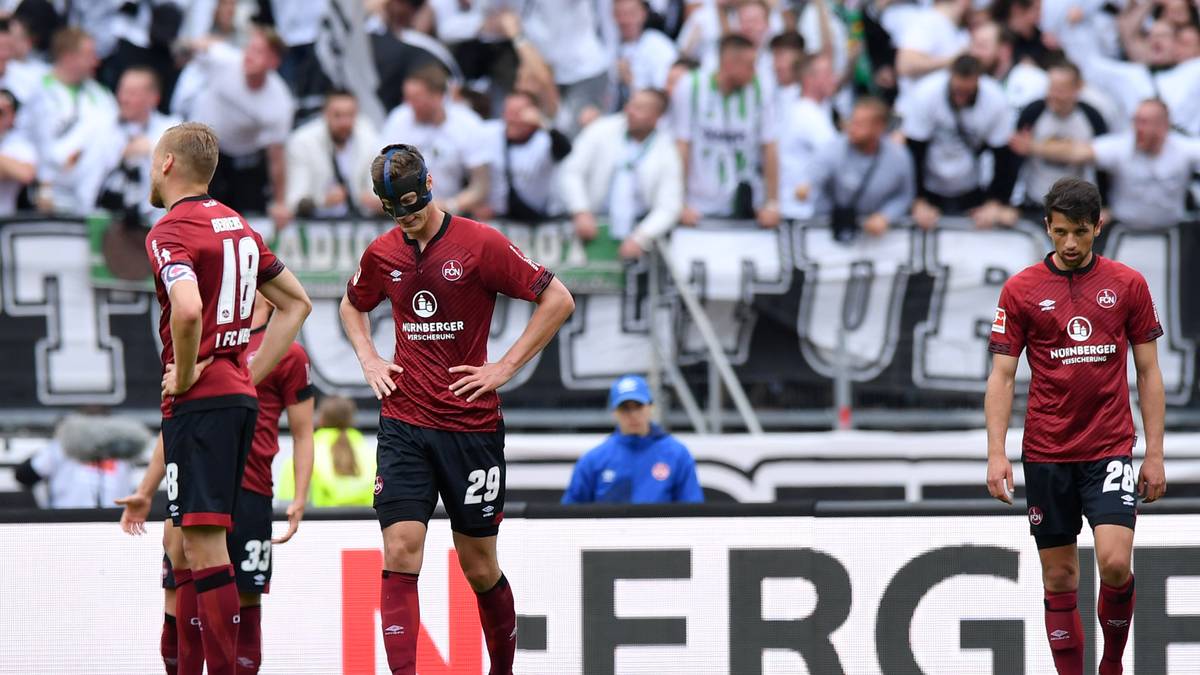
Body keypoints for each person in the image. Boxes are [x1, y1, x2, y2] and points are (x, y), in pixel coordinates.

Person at [339, 143, 575, 675]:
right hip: (403, 422)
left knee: (479, 564)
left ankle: (503, 670)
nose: (408, 219)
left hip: (471, 426)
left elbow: (557, 298)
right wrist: (369, 357)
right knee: (401, 549)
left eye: (413, 205)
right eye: (396, 211)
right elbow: (351, 303)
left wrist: (504, 368)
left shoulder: (480, 244)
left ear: (428, 187)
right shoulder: (383, 253)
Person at [127, 121, 311, 675]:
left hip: (201, 404)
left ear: (165, 165)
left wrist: (184, 374)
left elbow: (185, 309)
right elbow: (296, 304)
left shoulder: (169, 231)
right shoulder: (238, 225)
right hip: (234, 398)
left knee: (204, 549)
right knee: (184, 545)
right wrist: (248, 369)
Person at [985, 177, 1166, 675]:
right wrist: (996, 452)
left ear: (1098, 227)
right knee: (1061, 577)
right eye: (1060, 231)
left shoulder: (1128, 284)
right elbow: (1002, 376)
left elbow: (1148, 372)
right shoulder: (1020, 290)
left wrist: (1153, 453)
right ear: (1047, 227)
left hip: (1109, 447)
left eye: (1080, 232)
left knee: (1113, 562)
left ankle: (1111, 665)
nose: (1069, 243)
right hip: (1046, 451)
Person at [121, 290, 315, 675]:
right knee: (179, 588)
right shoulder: (200, 345)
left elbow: (304, 432)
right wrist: (146, 490)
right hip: (195, 478)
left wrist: (300, 495)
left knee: (245, 600)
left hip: (251, 486)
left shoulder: (287, 353)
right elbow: (173, 422)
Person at [1019, 98, 1200, 229]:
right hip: (1123, 229)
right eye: (1135, 121)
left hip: (1173, 231)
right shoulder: (1121, 146)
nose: (1138, 128)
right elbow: (1077, 152)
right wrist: (1032, 146)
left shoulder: (1183, 149)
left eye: (1144, 122)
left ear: (1163, 126)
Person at [560, 88, 683, 260]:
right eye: (631, 105)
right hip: (592, 226)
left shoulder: (666, 152)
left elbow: (669, 206)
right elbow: (571, 171)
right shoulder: (600, 130)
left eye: (640, 109)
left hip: (637, 232)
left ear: (656, 117)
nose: (631, 112)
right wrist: (580, 210)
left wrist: (641, 237)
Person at [671, 34, 779, 228]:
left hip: (746, 206)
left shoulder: (761, 89)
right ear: (729, 64)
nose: (754, 72)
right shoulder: (690, 86)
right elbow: (681, 146)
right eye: (749, 65)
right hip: (699, 208)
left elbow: (769, 146)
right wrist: (678, 202)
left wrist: (771, 203)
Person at [903, 55, 1020, 229]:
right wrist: (917, 201)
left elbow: (1004, 156)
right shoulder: (926, 93)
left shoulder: (995, 100)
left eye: (967, 93)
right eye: (957, 91)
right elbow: (913, 151)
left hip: (971, 184)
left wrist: (995, 203)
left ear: (978, 81)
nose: (961, 98)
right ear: (950, 76)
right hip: (930, 182)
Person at [562, 374, 704, 504]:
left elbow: (693, 510)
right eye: (625, 408)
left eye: (638, 406)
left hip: (659, 532)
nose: (633, 414)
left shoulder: (677, 455)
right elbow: (569, 514)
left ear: (651, 407)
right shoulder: (594, 460)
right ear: (614, 412)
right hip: (610, 532)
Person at [805, 97, 916, 239]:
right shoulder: (834, 148)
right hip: (832, 231)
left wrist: (886, 216)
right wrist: (806, 186)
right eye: (852, 121)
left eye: (860, 124)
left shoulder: (899, 157)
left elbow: (905, 195)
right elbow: (815, 175)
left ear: (879, 127)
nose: (852, 128)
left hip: (880, 240)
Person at [285, 89, 382, 217]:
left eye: (350, 115)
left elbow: (377, 194)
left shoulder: (369, 139)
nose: (344, 122)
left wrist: (377, 203)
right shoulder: (302, 142)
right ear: (324, 114)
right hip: (315, 224)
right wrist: (322, 201)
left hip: (360, 221)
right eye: (337, 115)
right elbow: (295, 201)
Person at [278, 395, 377, 508]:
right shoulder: (374, 456)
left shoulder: (301, 459)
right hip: (368, 524)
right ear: (351, 420)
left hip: (317, 524)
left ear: (320, 420)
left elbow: (288, 505)